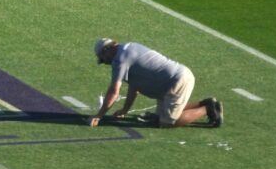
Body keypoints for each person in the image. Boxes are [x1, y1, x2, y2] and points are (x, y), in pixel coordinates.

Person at [88, 38, 222, 129]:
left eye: (103, 59)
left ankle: (207, 109)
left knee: (168, 122)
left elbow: (114, 91)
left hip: (176, 81)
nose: (106, 62)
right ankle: (205, 104)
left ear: (106, 50)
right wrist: (125, 110)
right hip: (171, 83)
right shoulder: (127, 49)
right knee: (160, 116)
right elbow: (134, 87)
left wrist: (99, 116)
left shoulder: (120, 60)